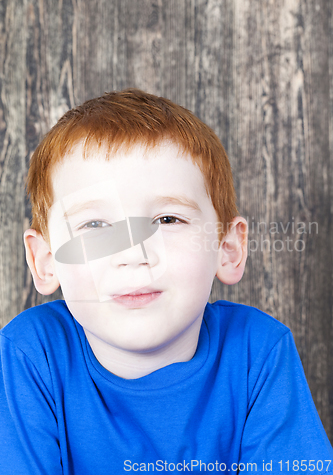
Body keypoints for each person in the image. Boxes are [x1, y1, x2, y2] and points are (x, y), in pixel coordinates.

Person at [0, 89, 332, 474]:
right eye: (94, 225)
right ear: (45, 261)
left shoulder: (257, 352)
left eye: (167, 220)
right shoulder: (30, 355)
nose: (133, 254)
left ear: (227, 248)